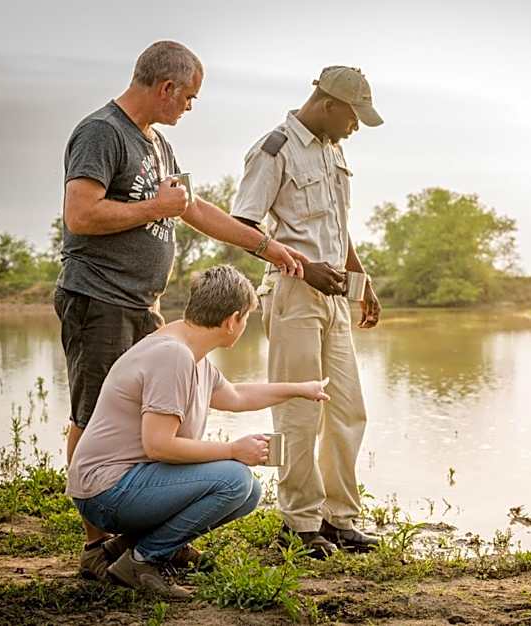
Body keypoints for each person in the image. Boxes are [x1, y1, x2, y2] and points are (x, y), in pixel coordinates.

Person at [57, 40, 307, 576]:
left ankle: (144, 531)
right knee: (92, 410)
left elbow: (194, 209)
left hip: (141, 301)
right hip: (97, 296)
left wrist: (262, 245)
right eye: (188, 97)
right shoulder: (102, 133)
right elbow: (79, 215)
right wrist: (157, 206)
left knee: (152, 412)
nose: (189, 107)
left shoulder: (158, 145)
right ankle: (96, 543)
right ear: (165, 88)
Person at [67, 265, 330, 598]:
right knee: (235, 480)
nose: (244, 326)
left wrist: (300, 388)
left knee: (247, 491)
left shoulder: (190, 353)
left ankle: (127, 549)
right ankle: (143, 560)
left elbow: (235, 396)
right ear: (233, 319)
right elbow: (159, 446)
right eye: (247, 318)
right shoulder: (172, 356)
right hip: (106, 493)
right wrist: (234, 450)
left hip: (126, 483)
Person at [229, 66, 383, 558]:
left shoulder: (332, 150)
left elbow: (338, 227)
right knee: (299, 412)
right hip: (294, 292)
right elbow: (243, 225)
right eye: (354, 117)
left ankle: (339, 518)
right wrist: (300, 265)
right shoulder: (274, 148)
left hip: (335, 293)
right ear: (329, 104)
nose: (355, 128)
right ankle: (299, 523)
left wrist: (362, 280)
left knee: (347, 408)